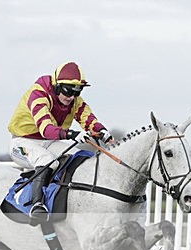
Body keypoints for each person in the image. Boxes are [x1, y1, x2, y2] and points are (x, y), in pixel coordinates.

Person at [8, 61, 114, 222]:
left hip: (49, 142)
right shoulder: (38, 94)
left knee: (78, 156)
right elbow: (46, 128)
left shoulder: (73, 100)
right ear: (57, 86)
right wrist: (71, 134)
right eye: (68, 92)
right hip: (22, 142)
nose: (71, 97)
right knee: (48, 161)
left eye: (76, 93)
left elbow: (88, 118)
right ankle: (36, 205)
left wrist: (102, 131)